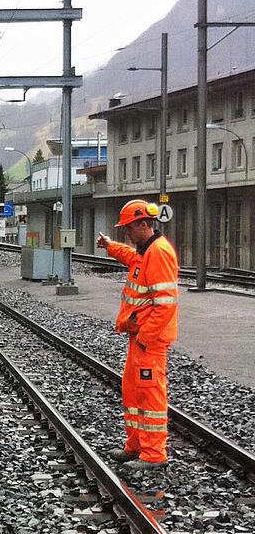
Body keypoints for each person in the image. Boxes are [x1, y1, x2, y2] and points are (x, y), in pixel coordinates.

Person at [95, 199, 179, 471]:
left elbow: (165, 304)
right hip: (140, 338)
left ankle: (154, 455)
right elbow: (131, 258)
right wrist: (110, 246)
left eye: (128, 229)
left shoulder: (159, 253)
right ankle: (136, 446)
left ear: (143, 225)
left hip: (149, 341)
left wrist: (145, 337)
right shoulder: (146, 250)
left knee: (150, 395)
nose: (126, 234)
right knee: (133, 392)